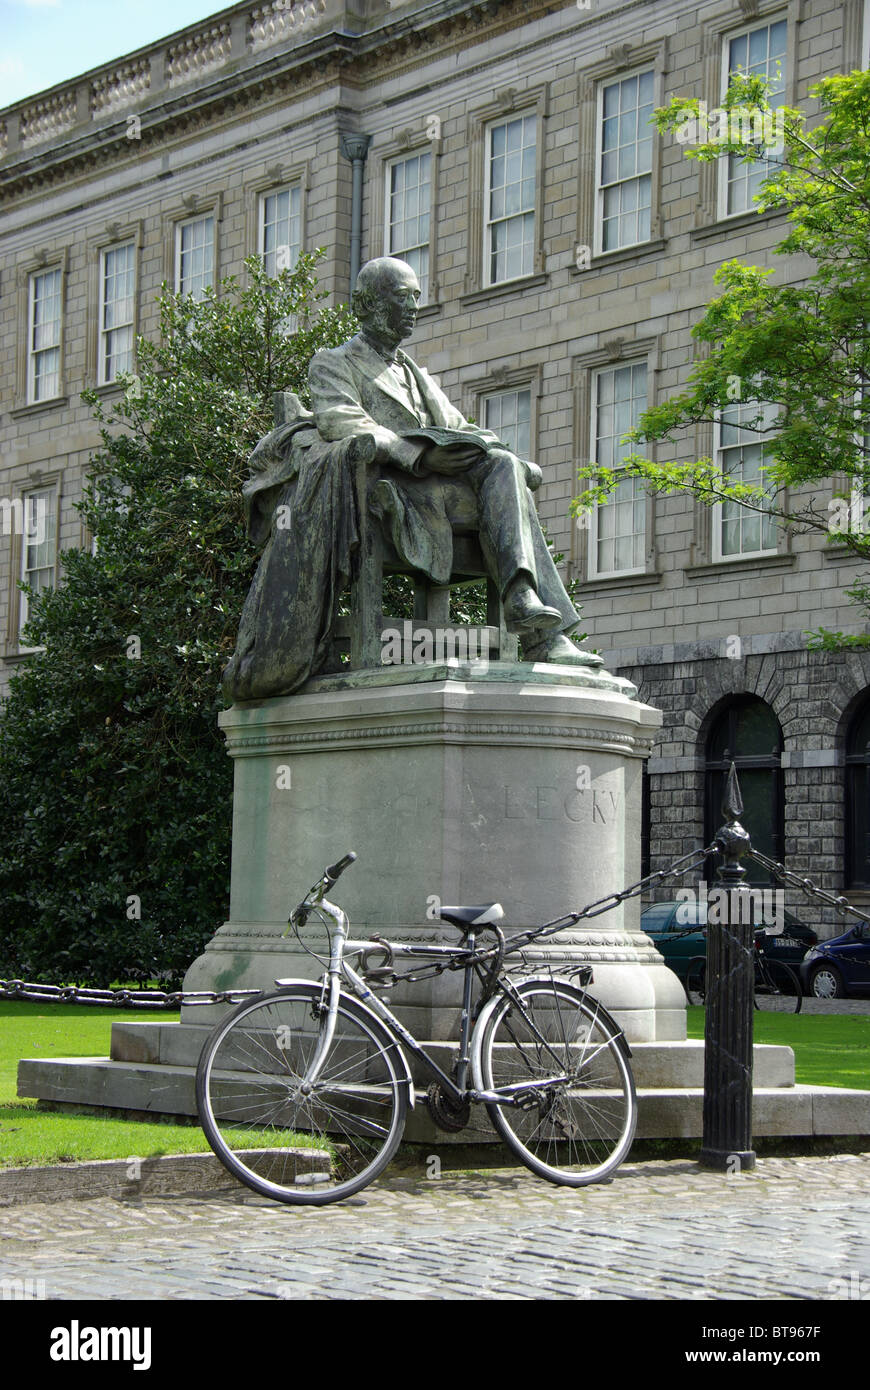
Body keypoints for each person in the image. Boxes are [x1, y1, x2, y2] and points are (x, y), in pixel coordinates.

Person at [221, 257, 599, 703]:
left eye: (417, 297)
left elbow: (462, 425)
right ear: (369, 305)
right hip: (390, 488)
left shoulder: (416, 373)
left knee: (503, 464)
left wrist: (487, 449)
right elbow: (342, 420)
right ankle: (538, 630)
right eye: (403, 297)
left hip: (447, 490)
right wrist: (412, 452)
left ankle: (528, 613)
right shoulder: (334, 363)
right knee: (498, 469)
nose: (414, 307)